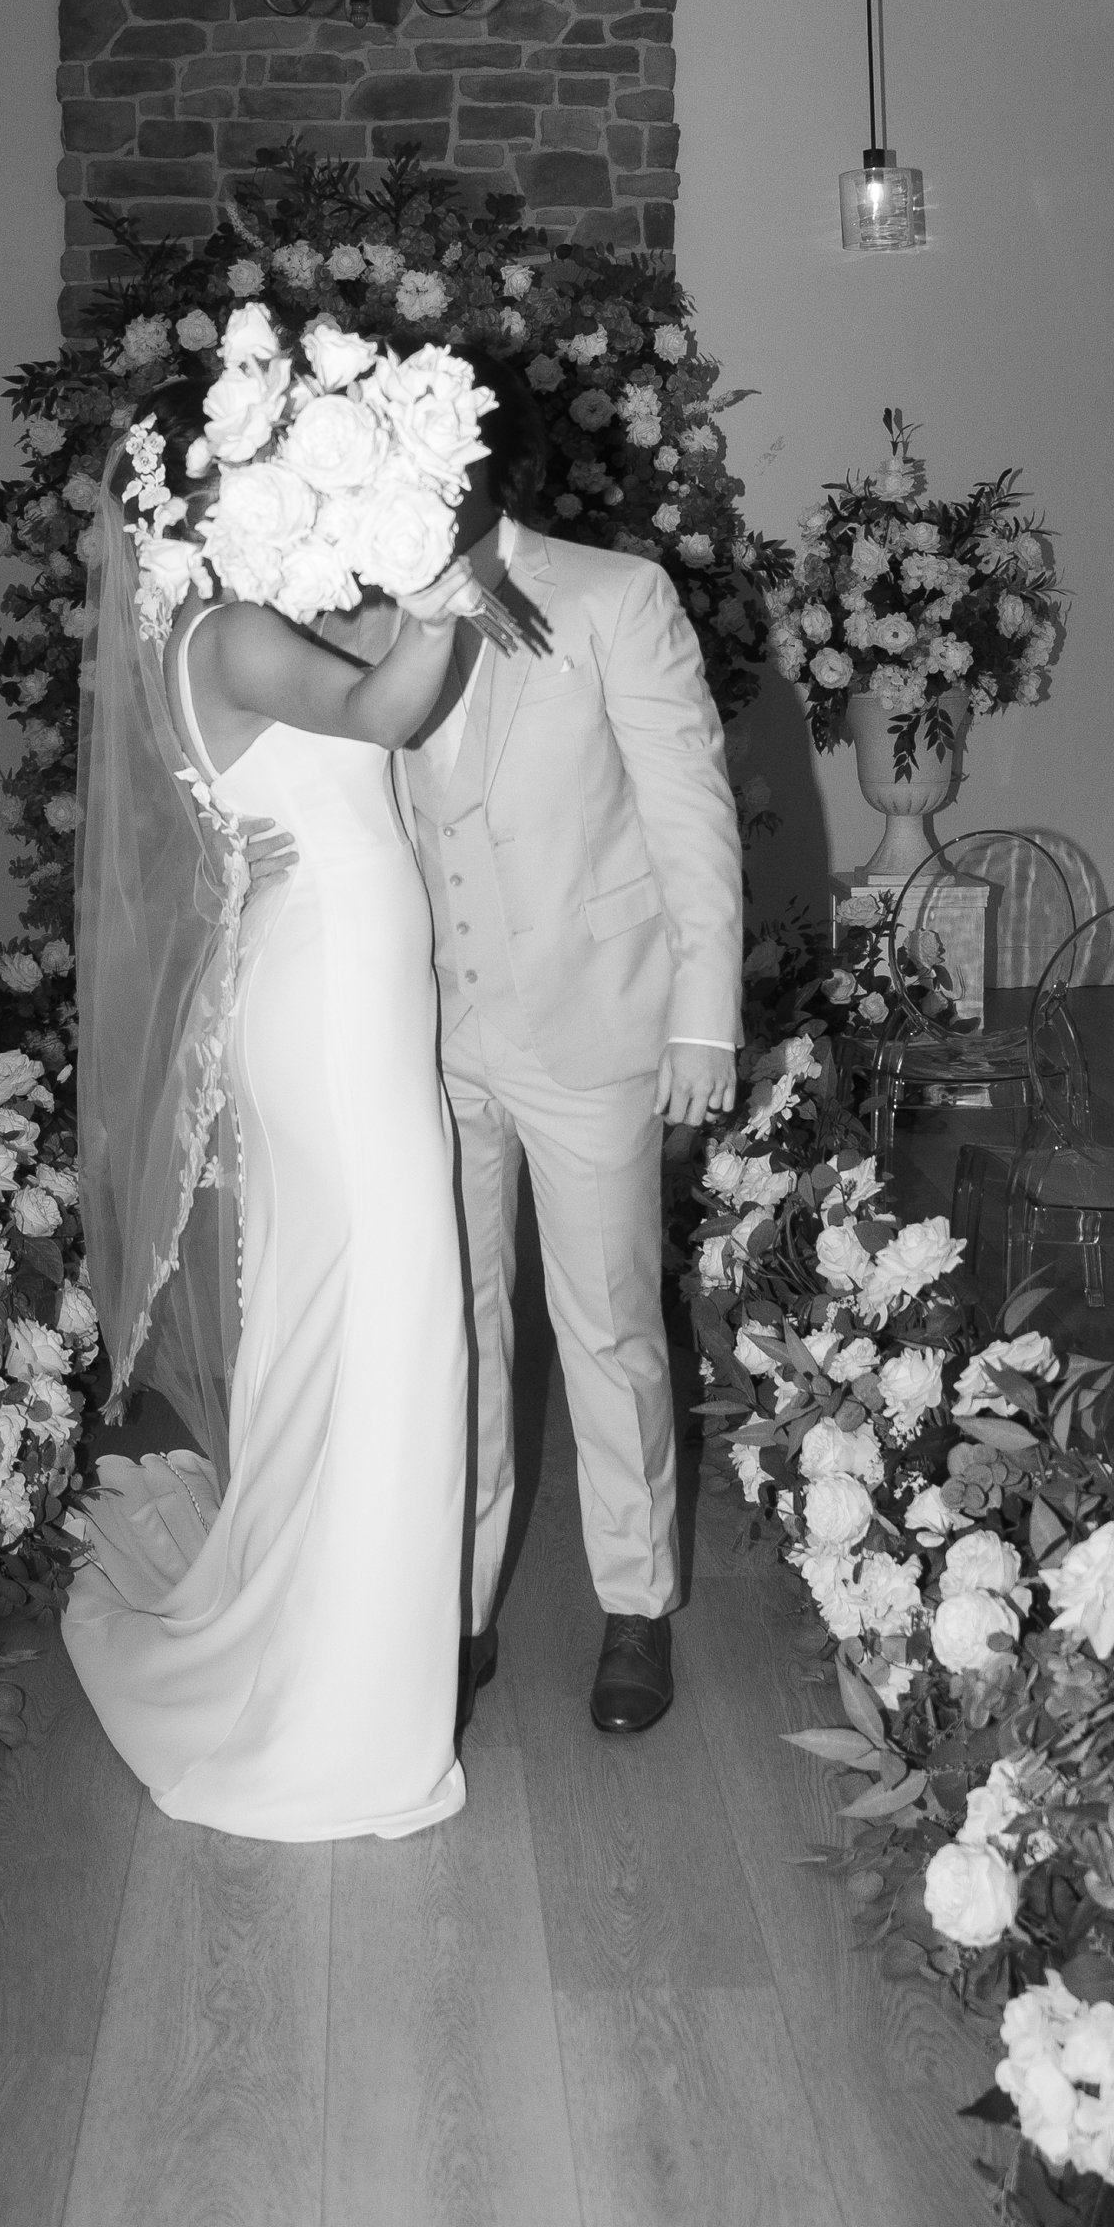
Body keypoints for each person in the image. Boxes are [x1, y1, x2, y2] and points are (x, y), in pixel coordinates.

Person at [62, 427, 533, 1843]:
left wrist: (410, 583)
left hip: (334, 997)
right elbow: (391, 713)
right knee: (393, 1323)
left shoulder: (230, 631)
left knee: (348, 1324)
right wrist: (452, 583)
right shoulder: (234, 634)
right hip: (330, 1009)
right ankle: (335, 1717)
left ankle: (335, 1664)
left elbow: (370, 697)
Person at [403, 385, 745, 1738]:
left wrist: (703, 1014)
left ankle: (636, 1600)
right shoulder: (359, 602)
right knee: (459, 1327)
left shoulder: (615, 593)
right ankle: (465, 1604)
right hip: (430, 1030)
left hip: (591, 1019)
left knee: (604, 1322)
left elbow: (689, 809)